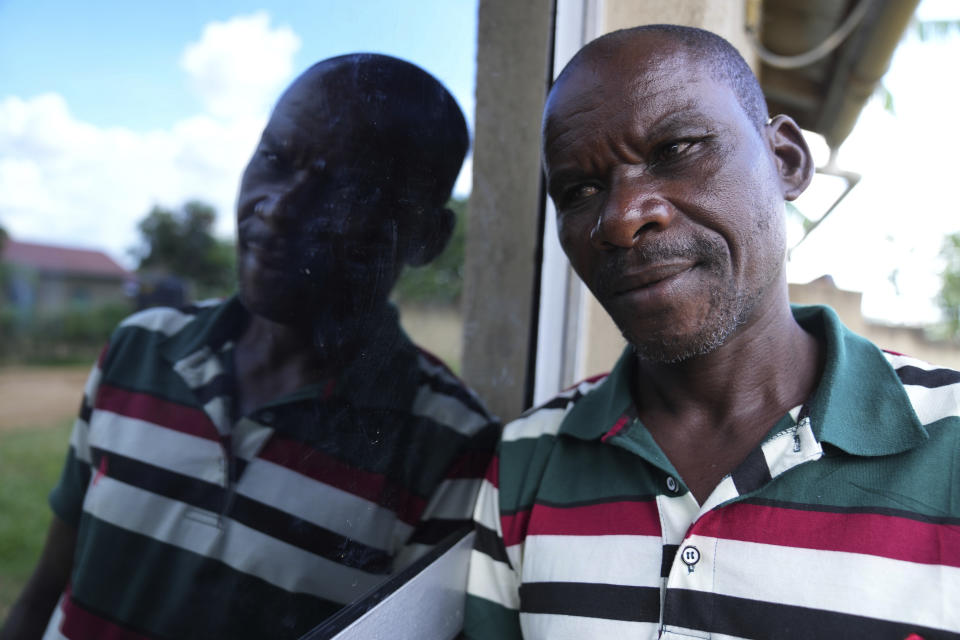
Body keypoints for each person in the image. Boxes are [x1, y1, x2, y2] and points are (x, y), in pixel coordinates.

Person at [463, 25, 960, 640]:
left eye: (676, 149)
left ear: (786, 161)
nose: (621, 218)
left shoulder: (951, 445)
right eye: (580, 189)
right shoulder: (526, 460)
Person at [2, 54, 499, 640]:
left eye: (350, 190)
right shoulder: (139, 349)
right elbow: (42, 596)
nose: (281, 208)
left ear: (425, 236)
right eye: (274, 160)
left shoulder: (450, 448)